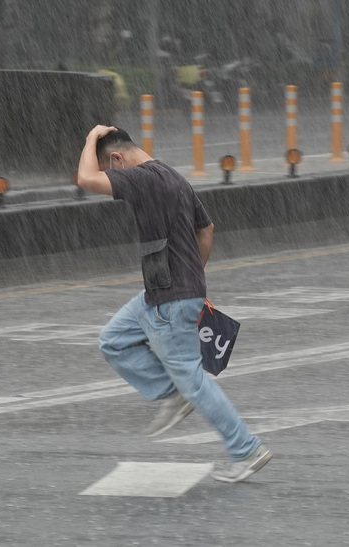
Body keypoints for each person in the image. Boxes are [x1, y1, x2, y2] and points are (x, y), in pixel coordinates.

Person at [76, 125, 271, 483]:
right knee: (113, 339)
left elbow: (85, 179)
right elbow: (207, 228)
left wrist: (91, 139)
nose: (111, 180)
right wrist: (193, 276)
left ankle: (246, 449)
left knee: (194, 382)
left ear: (117, 159)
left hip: (172, 297)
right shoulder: (174, 177)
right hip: (163, 293)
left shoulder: (142, 179)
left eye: (110, 169)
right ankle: (170, 393)